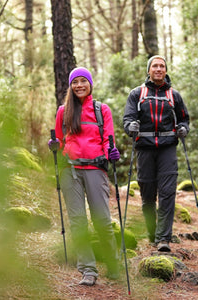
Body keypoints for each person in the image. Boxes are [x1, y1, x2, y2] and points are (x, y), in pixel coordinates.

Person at [48, 67, 120, 286]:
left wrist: (111, 152)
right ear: (70, 86)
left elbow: (108, 139)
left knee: (102, 220)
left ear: (90, 84)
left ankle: (113, 262)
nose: (79, 85)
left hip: (95, 169)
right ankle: (88, 269)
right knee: (78, 221)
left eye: (83, 81)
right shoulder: (63, 111)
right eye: (75, 82)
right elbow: (59, 139)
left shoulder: (102, 110)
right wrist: (54, 145)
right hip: (70, 170)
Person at [123, 55, 190, 252]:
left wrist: (183, 129)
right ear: (149, 70)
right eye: (155, 66)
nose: (159, 69)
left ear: (166, 70)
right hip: (144, 148)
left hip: (168, 148)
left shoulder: (174, 95)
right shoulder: (137, 94)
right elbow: (127, 119)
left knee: (168, 193)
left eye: (162, 66)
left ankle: (163, 239)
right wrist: (130, 126)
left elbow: (184, 118)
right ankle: (153, 233)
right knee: (148, 195)